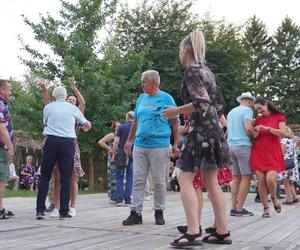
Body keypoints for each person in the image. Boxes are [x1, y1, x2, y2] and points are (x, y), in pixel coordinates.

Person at [162, 31, 232, 246]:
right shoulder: (207, 71)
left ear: (187, 50)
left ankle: (193, 232)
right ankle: (222, 231)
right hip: (213, 132)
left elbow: (201, 103)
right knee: (212, 182)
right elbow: (218, 104)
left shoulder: (192, 71)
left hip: (200, 132)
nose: (179, 54)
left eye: (179, 50)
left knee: (184, 178)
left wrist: (175, 111)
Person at [122, 70, 180, 226]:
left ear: (154, 82)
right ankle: (135, 213)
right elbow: (135, 121)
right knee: (138, 180)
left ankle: (159, 211)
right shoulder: (141, 99)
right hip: (140, 145)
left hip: (159, 145)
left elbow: (175, 122)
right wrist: (129, 141)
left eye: (144, 81)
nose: (141, 84)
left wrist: (176, 144)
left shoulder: (166, 98)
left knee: (159, 180)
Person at [36, 86, 91, 220]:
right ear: (65, 96)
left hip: (51, 141)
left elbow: (45, 123)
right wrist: (86, 125)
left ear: (54, 96)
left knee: (45, 176)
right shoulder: (73, 108)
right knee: (66, 177)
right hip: (67, 143)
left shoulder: (48, 107)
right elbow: (86, 124)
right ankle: (64, 212)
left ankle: (40, 210)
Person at [250, 97, 286, 218]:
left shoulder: (279, 116)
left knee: (270, 179)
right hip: (258, 152)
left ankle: (274, 197)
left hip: (273, 153)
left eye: (260, 108)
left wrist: (266, 128)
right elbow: (254, 136)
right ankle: (265, 208)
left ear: (266, 104)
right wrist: (254, 132)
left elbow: (283, 133)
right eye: (257, 109)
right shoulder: (258, 119)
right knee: (261, 181)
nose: (259, 111)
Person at [227, 92, 255, 217]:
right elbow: (248, 128)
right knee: (246, 177)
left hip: (230, 145)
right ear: (249, 102)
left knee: (236, 177)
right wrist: (254, 135)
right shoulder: (247, 110)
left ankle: (233, 206)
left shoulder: (231, 112)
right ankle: (240, 208)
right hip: (243, 145)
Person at [112, 111, 134, 205]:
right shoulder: (137, 127)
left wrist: (114, 153)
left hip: (121, 153)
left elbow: (116, 141)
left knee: (119, 176)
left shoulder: (122, 127)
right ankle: (128, 199)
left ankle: (119, 199)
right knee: (130, 177)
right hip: (133, 153)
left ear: (127, 117)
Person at [0, 79, 15, 220]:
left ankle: (1, 207)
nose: (10, 92)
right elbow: (2, 128)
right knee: (1, 179)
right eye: (9, 89)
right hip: (1, 147)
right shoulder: (0, 105)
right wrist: (10, 148)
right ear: (2, 90)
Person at [98, 121, 120, 203]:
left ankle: (119, 195)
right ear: (114, 127)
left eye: (120, 126)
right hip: (112, 157)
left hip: (120, 157)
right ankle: (112, 197)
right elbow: (100, 142)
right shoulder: (111, 135)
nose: (119, 127)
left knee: (120, 176)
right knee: (113, 176)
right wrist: (109, 148)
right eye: (117, 126)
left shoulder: (121, 135)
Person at [277, 126, 299, 204]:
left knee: (286, 181)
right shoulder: (292, 140)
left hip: (285, 162)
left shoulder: (284, 140)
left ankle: (288, 199)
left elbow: (281, 153)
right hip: (293, 163)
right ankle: (295, 196)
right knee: (290, 181)